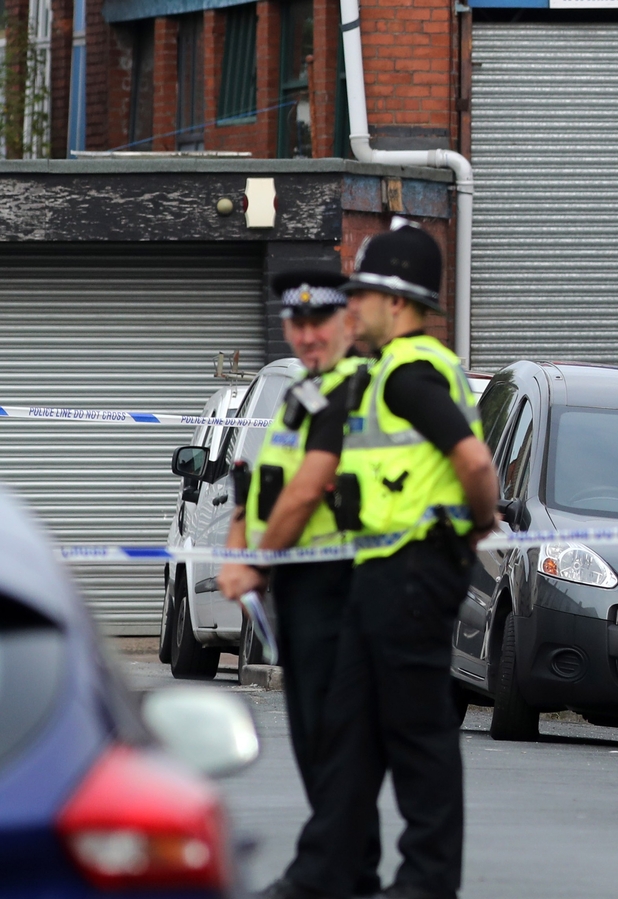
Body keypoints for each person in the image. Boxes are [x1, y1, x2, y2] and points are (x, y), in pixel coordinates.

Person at [275, 219, 499, 899]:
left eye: (362, 293)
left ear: (395, 301)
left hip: (413, 572)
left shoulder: (409, 373)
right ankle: (326, 871)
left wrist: (477, 522)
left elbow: (474, 461)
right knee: (347, 728)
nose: (352, 306)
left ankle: (427, 881)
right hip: (381, 572)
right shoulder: (383, 375)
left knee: (417, 731)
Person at [217, 269, 383, 897]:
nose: (308, 335)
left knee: (332, 732)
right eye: (298, 323)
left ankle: (322, 872)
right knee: (319, 728)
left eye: (321, 323)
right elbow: (267, 484)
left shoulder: (351, 389)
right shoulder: (302, 393)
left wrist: (255, 560)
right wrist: (238, 532)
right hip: (300, 580)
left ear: (347, 323)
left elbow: (312, 485)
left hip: (335, 579)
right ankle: (355, 870)